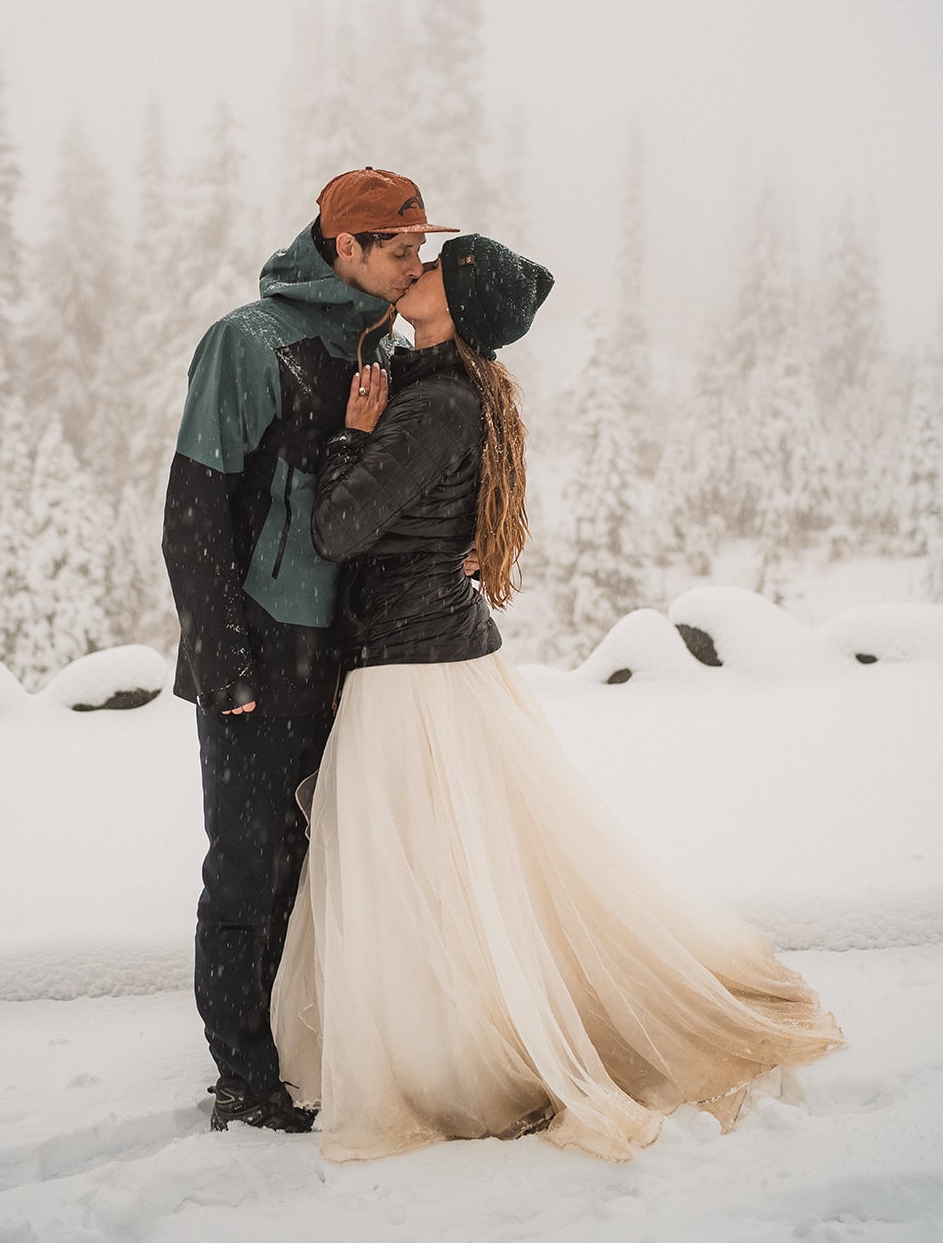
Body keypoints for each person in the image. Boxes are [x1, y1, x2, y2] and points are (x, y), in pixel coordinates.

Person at [271, 234, 844, 1162]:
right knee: (448, 876)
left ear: (460, 305)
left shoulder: (438, 402)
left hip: (412, 671)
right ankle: (450, 1038)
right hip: (422, 658)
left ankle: (459, 1057)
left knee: (426, 876)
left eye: (434, 270)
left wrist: (351, 434)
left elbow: (339, 530)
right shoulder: (448, 387)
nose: (414, 269)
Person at [162, 167, 457, 1134]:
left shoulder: (379, 342)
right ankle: (242, 1077)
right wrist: (223, 663)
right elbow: (194, 510)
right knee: (247, 867)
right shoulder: (248, 345)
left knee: (321, 864)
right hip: (257, 649)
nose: (416, 261)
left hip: (354, 658)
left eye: (419, 246)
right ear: (345, 248)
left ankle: (298, 1045)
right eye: (400, 247)